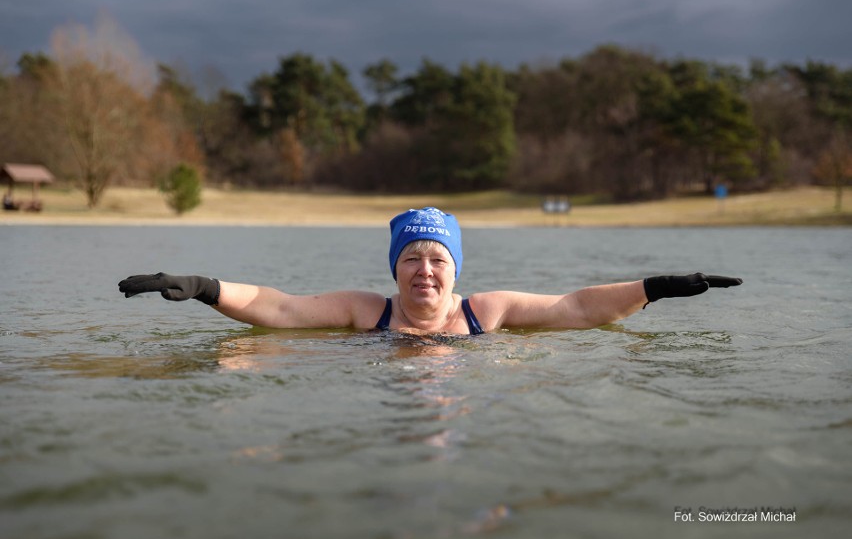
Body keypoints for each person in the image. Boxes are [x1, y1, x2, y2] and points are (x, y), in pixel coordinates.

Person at [118, 207, 742, 334]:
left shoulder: (485, 313)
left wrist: (652, 289)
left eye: (437, 257)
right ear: (394, 270)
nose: (424, 268)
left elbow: (575, 308)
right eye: (411, 257)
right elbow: (281, 308)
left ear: (454, 269)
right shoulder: (368, 312)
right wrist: (205, 288)